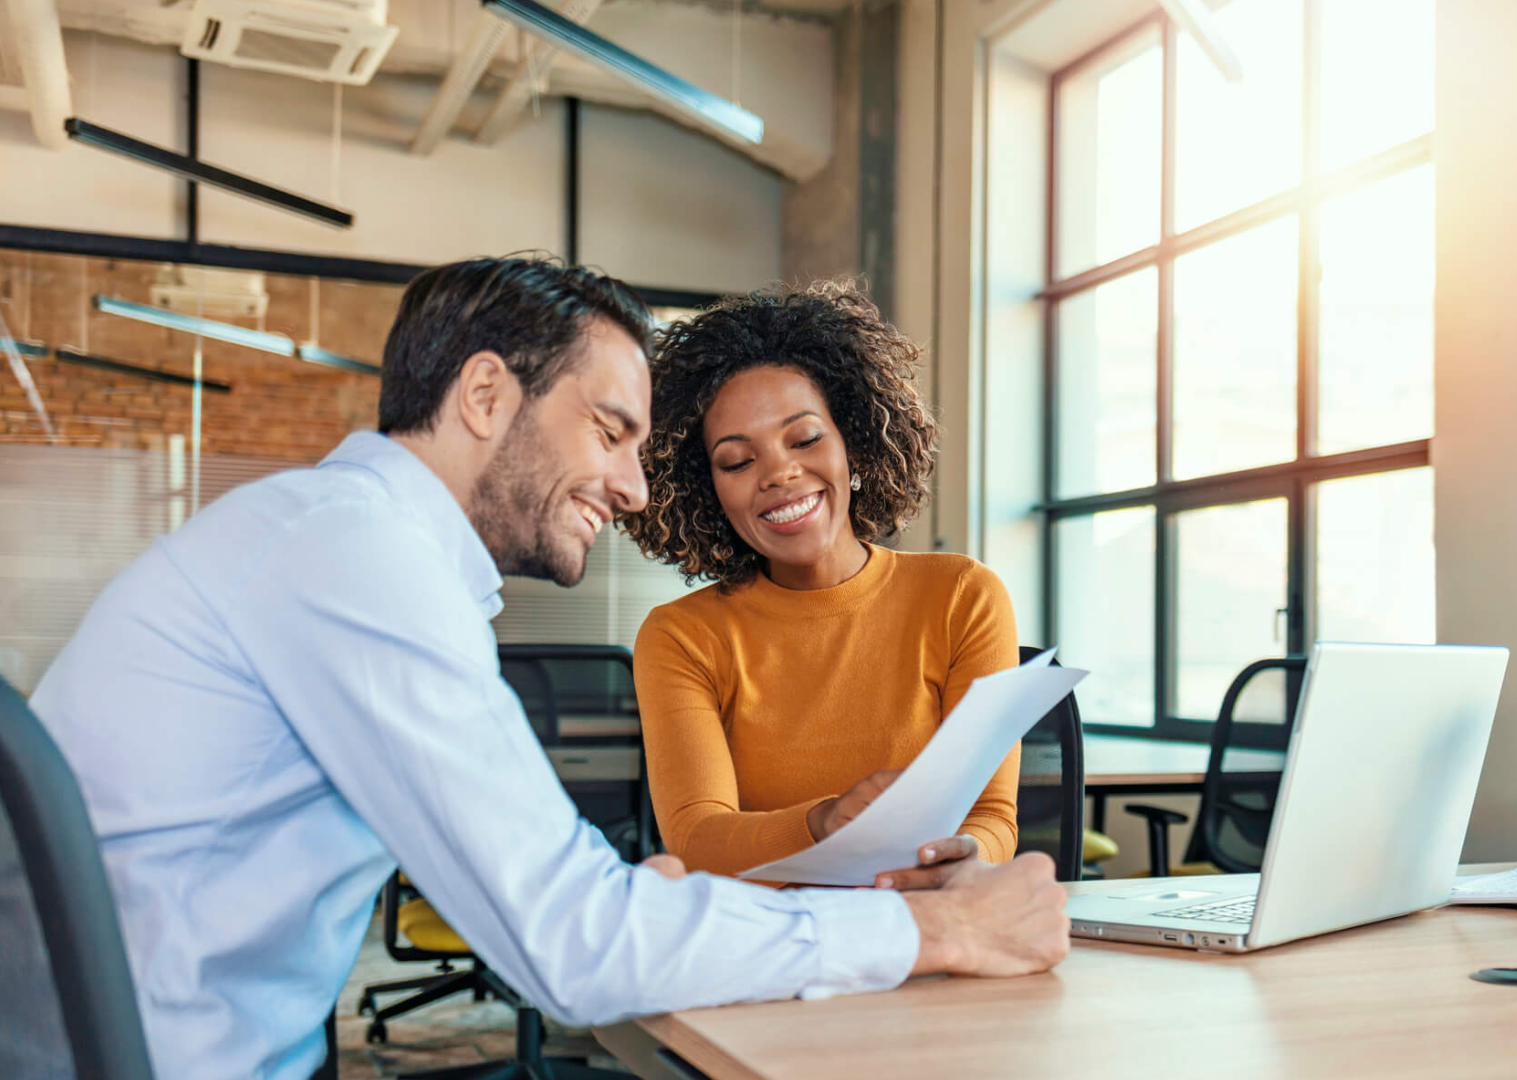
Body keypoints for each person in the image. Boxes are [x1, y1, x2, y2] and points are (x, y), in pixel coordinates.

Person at [26, 257, 1068, 1080]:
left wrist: (643, 908)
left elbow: (570, 908)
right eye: (611, 432)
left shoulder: (347, 544)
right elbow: (570, 946)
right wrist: (929, 928)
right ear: (486, 394)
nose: (630, 488)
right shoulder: (353, 558)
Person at [624, 282, 1019, 890]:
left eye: (804, 439)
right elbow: (697, 837)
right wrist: (823, 823)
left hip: (926, 926)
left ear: (854, 447)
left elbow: (991, 817)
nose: (779, 473)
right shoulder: (681, 636)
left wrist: (968, 857)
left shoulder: (962, 596)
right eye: (736, 461)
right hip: (766, 944)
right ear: (708, 490)